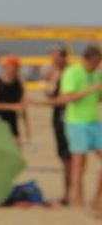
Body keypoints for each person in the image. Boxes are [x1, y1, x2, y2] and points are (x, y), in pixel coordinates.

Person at [56, 45, 102, 211]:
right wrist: (88, 90)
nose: (95, 67)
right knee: (79, 164)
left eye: (98, 64)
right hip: (76, 123)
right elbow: (65, 97)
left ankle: (97, 199)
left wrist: (94, 91)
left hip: (94, 123)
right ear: (86, 61)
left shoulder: (97, 75)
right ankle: (78, 200)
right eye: (93, 64)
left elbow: (98, 99)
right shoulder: (72, 73)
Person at [45, 46, 72, 204]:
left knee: (70, 159)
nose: (53, 61)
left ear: (63, 57)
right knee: (63, 157)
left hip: (67, 118)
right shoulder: (55, 73)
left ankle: (69, 194)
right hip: (57, 117)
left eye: (55, 58)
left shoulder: (68, 73)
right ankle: (68, 193)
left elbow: (63, 98)